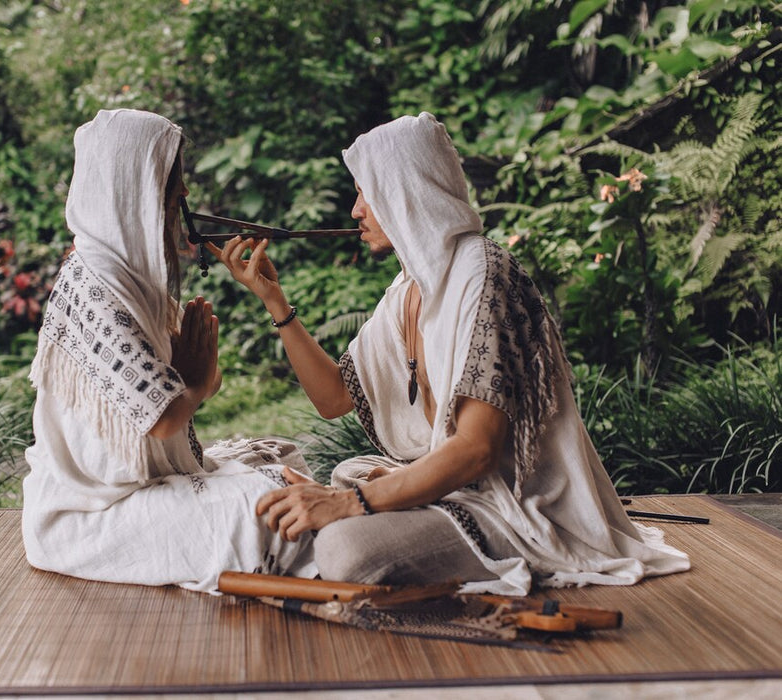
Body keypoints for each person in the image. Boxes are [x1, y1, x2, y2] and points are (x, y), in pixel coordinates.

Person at [209, 112, 689, 595]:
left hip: (515, 506)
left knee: (345, 551)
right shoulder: (409, 289)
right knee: (345, 473)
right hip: (466, 491)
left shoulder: (483, 276)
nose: (356, 211)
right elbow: (334, 398)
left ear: (406, 189)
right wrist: (274, 300)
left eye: (365, 192)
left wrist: (352, 503)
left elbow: (478, 450)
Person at [21, 109, 316, 593]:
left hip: (130, 500)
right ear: (132, 185)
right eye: (171, 180)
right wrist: (196, 385)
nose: (182, 195)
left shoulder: (125, 277)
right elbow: (161, 419)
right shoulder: (95, 282)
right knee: (272, 502)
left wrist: (195, 382)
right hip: (90, 516)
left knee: (285, 462)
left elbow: (165, 401)